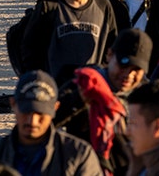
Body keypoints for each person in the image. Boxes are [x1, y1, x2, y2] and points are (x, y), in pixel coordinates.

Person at [0, 70, 102, 176]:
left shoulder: (78, 155)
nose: (32, 121)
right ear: (13, 105)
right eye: (26, 112)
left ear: (55, 109)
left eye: (40, 114)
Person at [54, 29, 152, 175]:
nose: (128, 75)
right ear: (109, 55)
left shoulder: (148, 95)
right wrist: (78, 100)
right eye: (123, 65)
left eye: (136, 70)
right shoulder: (83, 83)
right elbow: (46, 120)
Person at [21, 0, 118, 84]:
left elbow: (111, 46)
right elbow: (31, 50)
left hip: (93, 87)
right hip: (56, 88)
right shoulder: (49, 7)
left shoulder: (103, 5)